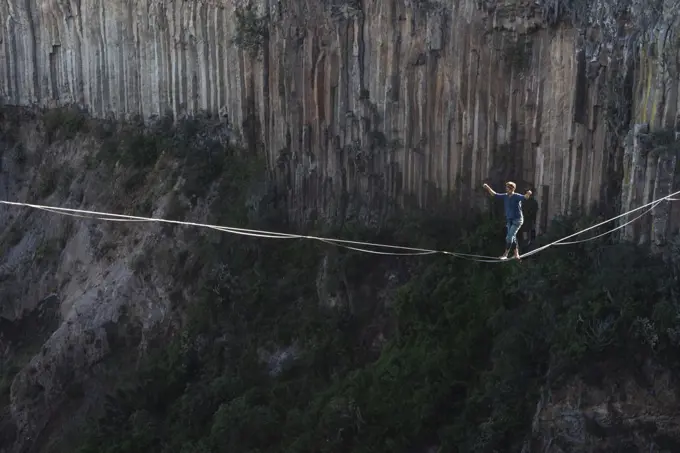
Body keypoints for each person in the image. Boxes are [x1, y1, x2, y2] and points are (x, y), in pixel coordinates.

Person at [482, 181, 532, 260]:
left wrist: (528, 193)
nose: (506, 190)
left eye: (508, 188)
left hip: (517, 220)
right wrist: (487, 188)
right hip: (510, 220)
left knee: (509, 237)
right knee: (513, 237)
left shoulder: (516, 196)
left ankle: (505, 254)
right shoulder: (505, 196)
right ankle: (516, 254)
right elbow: (495, 195)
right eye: (506, 188)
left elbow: (525, 197)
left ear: (512, 189)